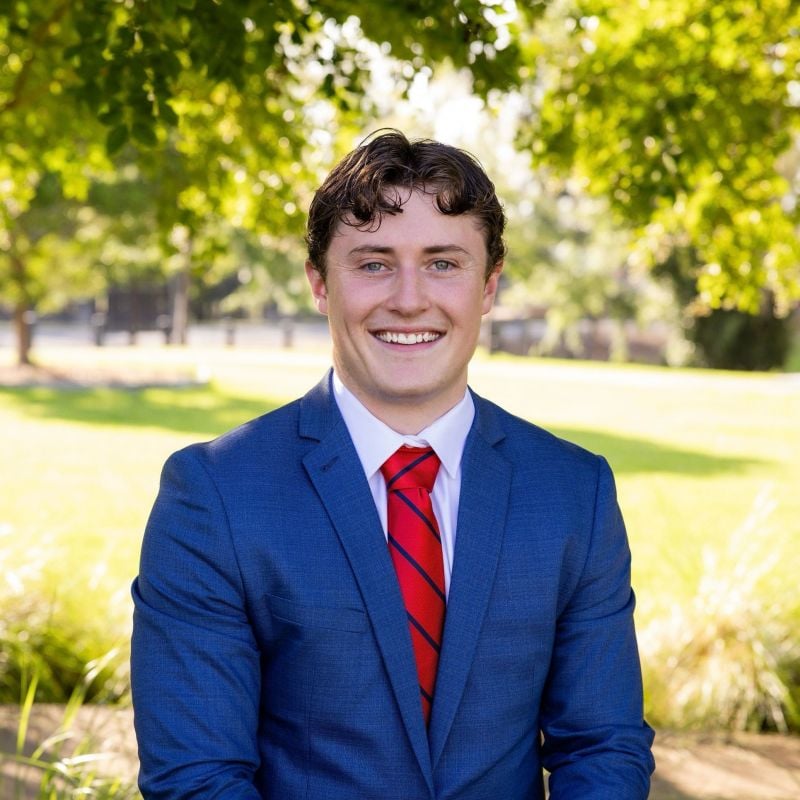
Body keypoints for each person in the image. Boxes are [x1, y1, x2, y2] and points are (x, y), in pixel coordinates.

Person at [131, 130, 655, 799]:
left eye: (443, 264)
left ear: (489, 286)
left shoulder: (574, 492)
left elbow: (603, 747)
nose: (409, 299)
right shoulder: (215, 495)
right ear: (319, 283)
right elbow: (198, 778)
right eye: (374, 264)